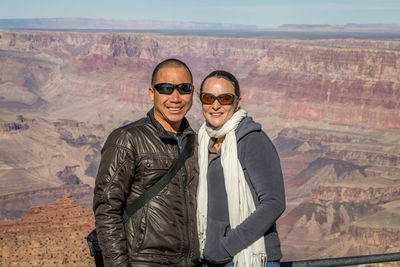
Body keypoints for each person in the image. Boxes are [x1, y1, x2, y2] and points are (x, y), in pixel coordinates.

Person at [93, 58, 200, 267]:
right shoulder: (126, 139)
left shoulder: (195, 143)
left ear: (192, 92)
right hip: (143, 262)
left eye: (184, 88)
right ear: (152, 93)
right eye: (166, 89)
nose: (176, 97)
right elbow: (107, 210)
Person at [197, 70, 286, 267]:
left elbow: (274, 202)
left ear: (237, 102)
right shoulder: (203, 141)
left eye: (225, 98)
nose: (216, 105)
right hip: (213, 258)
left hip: (250, 257)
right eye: (208, 97)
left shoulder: (252, 140)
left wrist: (227, 247)